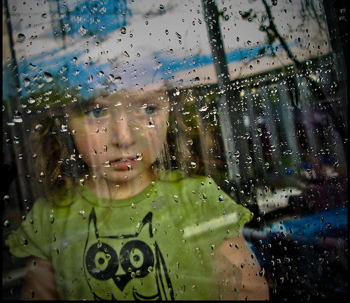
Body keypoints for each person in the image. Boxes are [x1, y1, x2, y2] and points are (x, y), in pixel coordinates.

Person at [6, 37, 269, 300]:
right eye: (97, 111)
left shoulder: (199, 198)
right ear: (66, 121)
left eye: (148, 108)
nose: (124, 137)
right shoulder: (51, 218)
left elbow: (248, 291)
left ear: (170, 113)